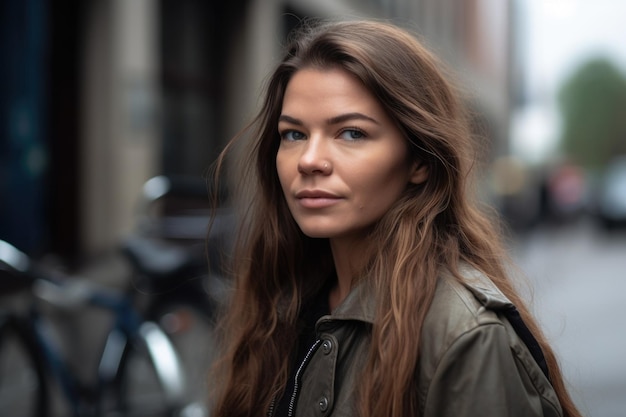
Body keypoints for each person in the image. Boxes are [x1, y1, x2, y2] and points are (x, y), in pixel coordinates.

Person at [208, 19, 583, 417]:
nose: (310, 160)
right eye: (293, 134)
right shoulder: (283, 299)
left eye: (351, 133)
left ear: (419, 160)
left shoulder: (465, 335)